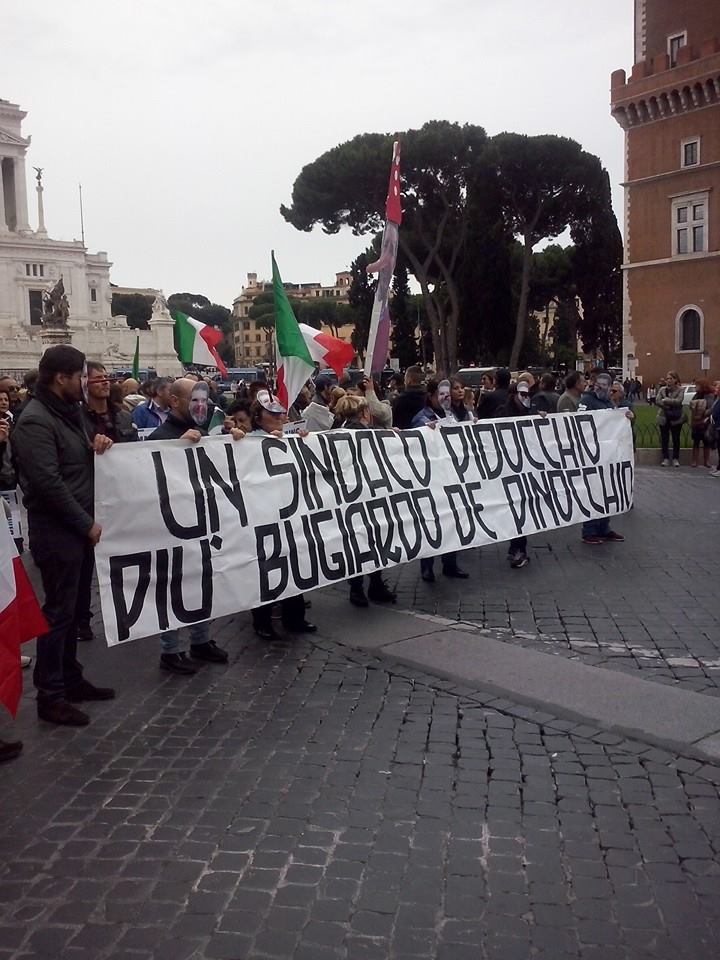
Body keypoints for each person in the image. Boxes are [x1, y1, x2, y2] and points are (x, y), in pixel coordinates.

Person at [12, 345, 116, 726]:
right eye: (79, 377)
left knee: (72, 611)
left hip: (76, 527)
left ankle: (70, 679)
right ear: (61, 378)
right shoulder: (36, 421)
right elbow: (47, 483)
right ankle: (50, 694)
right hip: (58, 531)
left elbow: (83, 453)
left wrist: (99, 443)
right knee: (57, 613)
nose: (84, 383)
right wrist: (84, 523)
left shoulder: (68, 412)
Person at [149, 378, 244, 674]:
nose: (201, 404)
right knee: (174, 586)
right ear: (175, 402)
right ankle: (170, 650)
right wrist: (176, 449)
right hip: (173, 529)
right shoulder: (159, 435)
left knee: (203, 583)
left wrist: (236, 440)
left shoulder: (210, 432)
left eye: (204, 398)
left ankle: (201, 641)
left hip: (204, 524)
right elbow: (146, 476)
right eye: (194, 399)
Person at [248, 390, 317, 640]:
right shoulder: (247, 442)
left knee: (293, 563)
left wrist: (306, 443)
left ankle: (294, 617)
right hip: (262, 514)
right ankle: (262, 621)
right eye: (271, 413)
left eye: (280, 413)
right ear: (258, 418)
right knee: (265, 569)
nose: (279, 417)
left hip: (290, 511)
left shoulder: (291, 438)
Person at [333, 394, 397, 608]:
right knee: (373, 540)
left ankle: (358, 587)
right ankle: (372, 585)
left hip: (350, 496)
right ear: (364, 413)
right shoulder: (362, 432)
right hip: (367, 493)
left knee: (357, 541)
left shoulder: (338, 429)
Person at [411, 381, 469, 581]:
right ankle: (427, 566)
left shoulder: (452, 415)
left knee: (452, 521)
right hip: (432, 480)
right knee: (432, 522)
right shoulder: (421, 419)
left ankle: (450, 563)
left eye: (448, 394)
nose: (446, 397)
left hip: (451, 476)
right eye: (441, 394)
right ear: (431, 396)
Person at [576, 372, 629, 545]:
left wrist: (626, 418)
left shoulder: (608, 402)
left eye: (604, 385)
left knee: (606, 491)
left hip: (606, 455)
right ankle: (589, 530)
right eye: (597, 384)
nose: (600, 387)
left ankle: (604, 528)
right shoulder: (586, 401)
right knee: (593, 492)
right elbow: (580, 423)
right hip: (592, 454)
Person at [496, 382, 537, 567]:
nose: (525, 398)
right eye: (522, 394)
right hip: (508, 469)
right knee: (516, 509)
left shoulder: (529, 411)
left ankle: (518, 547)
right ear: (513, 394)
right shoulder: (503, 412)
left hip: (524, 468)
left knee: (522, 509)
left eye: (527, 394)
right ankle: (517, 548)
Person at [82, 362, 137, 444]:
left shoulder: (125, 417)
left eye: (106, 377)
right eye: (98, 378)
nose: (105, 382)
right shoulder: (78, 419)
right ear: (85, 384)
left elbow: (135, 448)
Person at [656, 371, 685, 467]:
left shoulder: (680, 390)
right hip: (664, 415)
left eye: (671, 378)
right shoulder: (662, 390)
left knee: (676, 438)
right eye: (667, 378)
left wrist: (667, 400)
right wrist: (667, 404)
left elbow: (679, 401)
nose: (668, 380)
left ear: (675, 380)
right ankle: (665, 458)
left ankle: (676, 458)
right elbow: (658, 400)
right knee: (664, 438)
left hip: (675, 417)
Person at [689, 379, 714, 468]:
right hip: (696, 422)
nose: (696, 387)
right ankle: (694, 460)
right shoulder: (696, 395)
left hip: (705, 422)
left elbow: (711, 408)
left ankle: (706, 461)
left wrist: (703, 411)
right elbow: (691, 406)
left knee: (706, 442)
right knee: (696, 442)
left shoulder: (709, 396)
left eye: (697, 385)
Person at [391, 364, 426, 429]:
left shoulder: (401, 399)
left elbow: (395, 422)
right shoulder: (428, 397)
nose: (404, 380)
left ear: (409, 380)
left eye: (405, 377)